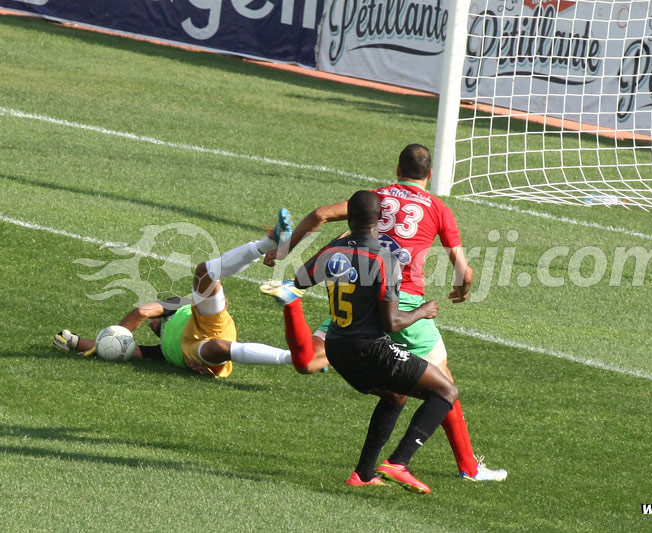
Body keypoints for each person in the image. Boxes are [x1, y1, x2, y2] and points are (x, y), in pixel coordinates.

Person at [264, 144, 507, 482]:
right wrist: (462, 288)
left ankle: (363, 471)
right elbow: (463, 270)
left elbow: (320, 214)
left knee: (323, 360)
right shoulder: (438, 208)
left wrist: (282, 250)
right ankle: (468, 467)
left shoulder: (375, 198)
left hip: (357, 293)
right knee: (444, 385)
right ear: (430, 174)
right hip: (402, 300)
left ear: (398, 170)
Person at [262, 190, 458, 494]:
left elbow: (300, 280)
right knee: (446, 391)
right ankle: (399, 463)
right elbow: (391, 323)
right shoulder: (385, 258)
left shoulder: (333, 250)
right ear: (380, 219)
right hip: (369, 348)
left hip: (336, 347)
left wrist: (332, 249)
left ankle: (363, 474)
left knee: (395, 396)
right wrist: (423, 311)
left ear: (349, 218)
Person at [53, 209, 302, 376]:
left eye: (154, 321)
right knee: (217, 348)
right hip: (196, 351)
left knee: (204, 273)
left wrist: (118, 332)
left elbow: (142, 312)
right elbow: (123, 350)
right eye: (153, 324)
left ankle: (269, 242)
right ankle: (293, 358)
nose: (151, 323)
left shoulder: (174, 305)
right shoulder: (161, 351)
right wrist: (74, 342)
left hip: (208, 322)